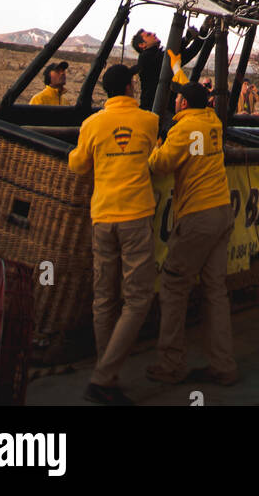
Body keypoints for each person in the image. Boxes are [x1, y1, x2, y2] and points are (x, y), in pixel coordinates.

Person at [67, 62, 159, 405]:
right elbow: (156, 155)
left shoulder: (93, 124)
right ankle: (104, 376)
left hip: (102, 216)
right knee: (137, 299)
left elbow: (78, 164)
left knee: (104, 298)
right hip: (136, 217)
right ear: (131, 87)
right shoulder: (148, 121)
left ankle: (107, 374)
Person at [146, 80, 237, 386]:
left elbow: (159, 165)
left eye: (178, 99)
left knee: (173, 285)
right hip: (223, 211)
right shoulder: (214, 123)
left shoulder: (182, 130)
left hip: (197, 216)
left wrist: (157, 142)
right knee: (215, 291)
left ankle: (170, 363)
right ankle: (223, 365)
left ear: (183, 104)